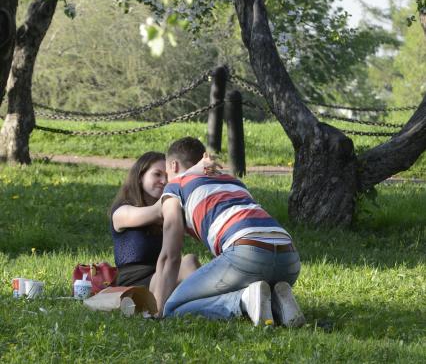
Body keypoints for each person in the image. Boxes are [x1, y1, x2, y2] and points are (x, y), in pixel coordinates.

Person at [153, 137, 305, 327]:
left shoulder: (175, 186)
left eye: (166, 172)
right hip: (289, 260)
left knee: (173, 307)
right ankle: (279, 301)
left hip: (247, 254)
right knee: (251, 280)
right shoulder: (234, 182)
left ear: (173, 165)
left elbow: (170, 256)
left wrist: (158, 311)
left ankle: (242, 301)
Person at [110, 151, 202, 291]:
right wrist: (191, 174)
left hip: (163, 276)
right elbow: (156, 211)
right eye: (157, 174)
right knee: (188, 263)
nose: (164, 181)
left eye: (167, 176)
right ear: (140, 176)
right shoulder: (121, 212)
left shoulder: (168, 212)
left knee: (200, 265)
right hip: (134, 284)